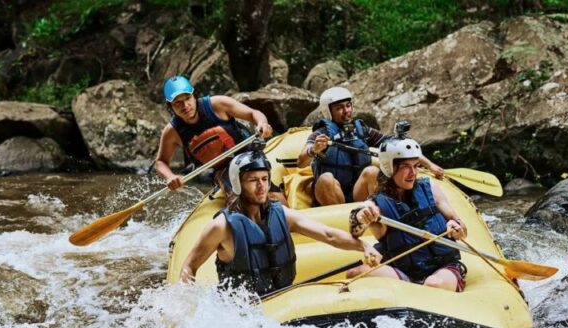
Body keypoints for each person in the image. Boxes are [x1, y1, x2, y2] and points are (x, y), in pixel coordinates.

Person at [180, 151, 382, 295]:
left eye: (265, 179)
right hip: (242, 312)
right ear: (237, 184)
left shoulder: (281, 214)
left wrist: (363, 245)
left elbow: (328, 234)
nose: (262, 187)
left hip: (282, 299)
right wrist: (186, 306)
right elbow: (189, 267)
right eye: (253, 180)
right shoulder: (222, 227)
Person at [347, 137, 468, 292]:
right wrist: (361, 217)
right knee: (354, 274)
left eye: (416, 166)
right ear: (389, 167)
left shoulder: (430, 188)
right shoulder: (376, 204)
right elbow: (355, 227)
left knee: (433, 285)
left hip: (444, 267)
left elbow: (463, 230)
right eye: (406, 166)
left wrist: (457, 227)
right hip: (406, 274)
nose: (413, 173)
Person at [297, 86, 444, 205]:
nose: (346, 111)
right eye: (339, 108)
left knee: (372, 171)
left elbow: (399, 146)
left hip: (358, 191)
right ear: (328, 112)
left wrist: (430, 165)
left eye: (348, 106)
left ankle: (378, 210)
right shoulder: (320, 135)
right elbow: (300, 162)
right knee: (326, 178)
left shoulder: (362, 130)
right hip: (331, 193)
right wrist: (313, 150)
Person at [155, 75, 285, 203]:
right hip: (221, 170)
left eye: (188, 98)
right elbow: (161, 162)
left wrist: (262, 123)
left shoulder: (217, 104)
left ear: (194, 96)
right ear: (170, 106)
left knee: (270, 193)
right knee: (240, 200)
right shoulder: (172, 132)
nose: (185, 105)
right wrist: (170, 177)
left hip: (248, 155)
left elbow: (253, 113)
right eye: (177, 103)